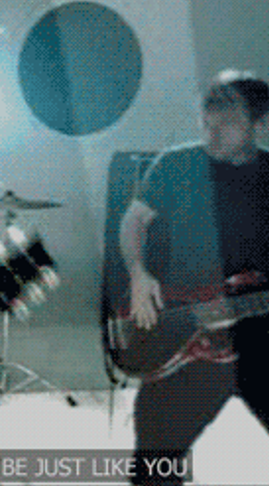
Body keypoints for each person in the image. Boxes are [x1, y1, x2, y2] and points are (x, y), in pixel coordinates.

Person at [119, 70, 269, 485]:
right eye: (206, 123)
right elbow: (133, 220)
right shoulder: (176, 164)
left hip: (259, 334)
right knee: (154, 467)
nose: (212, 135)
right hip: (187, 330)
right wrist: (138, 273)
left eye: (227, 124)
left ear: (259, 124)